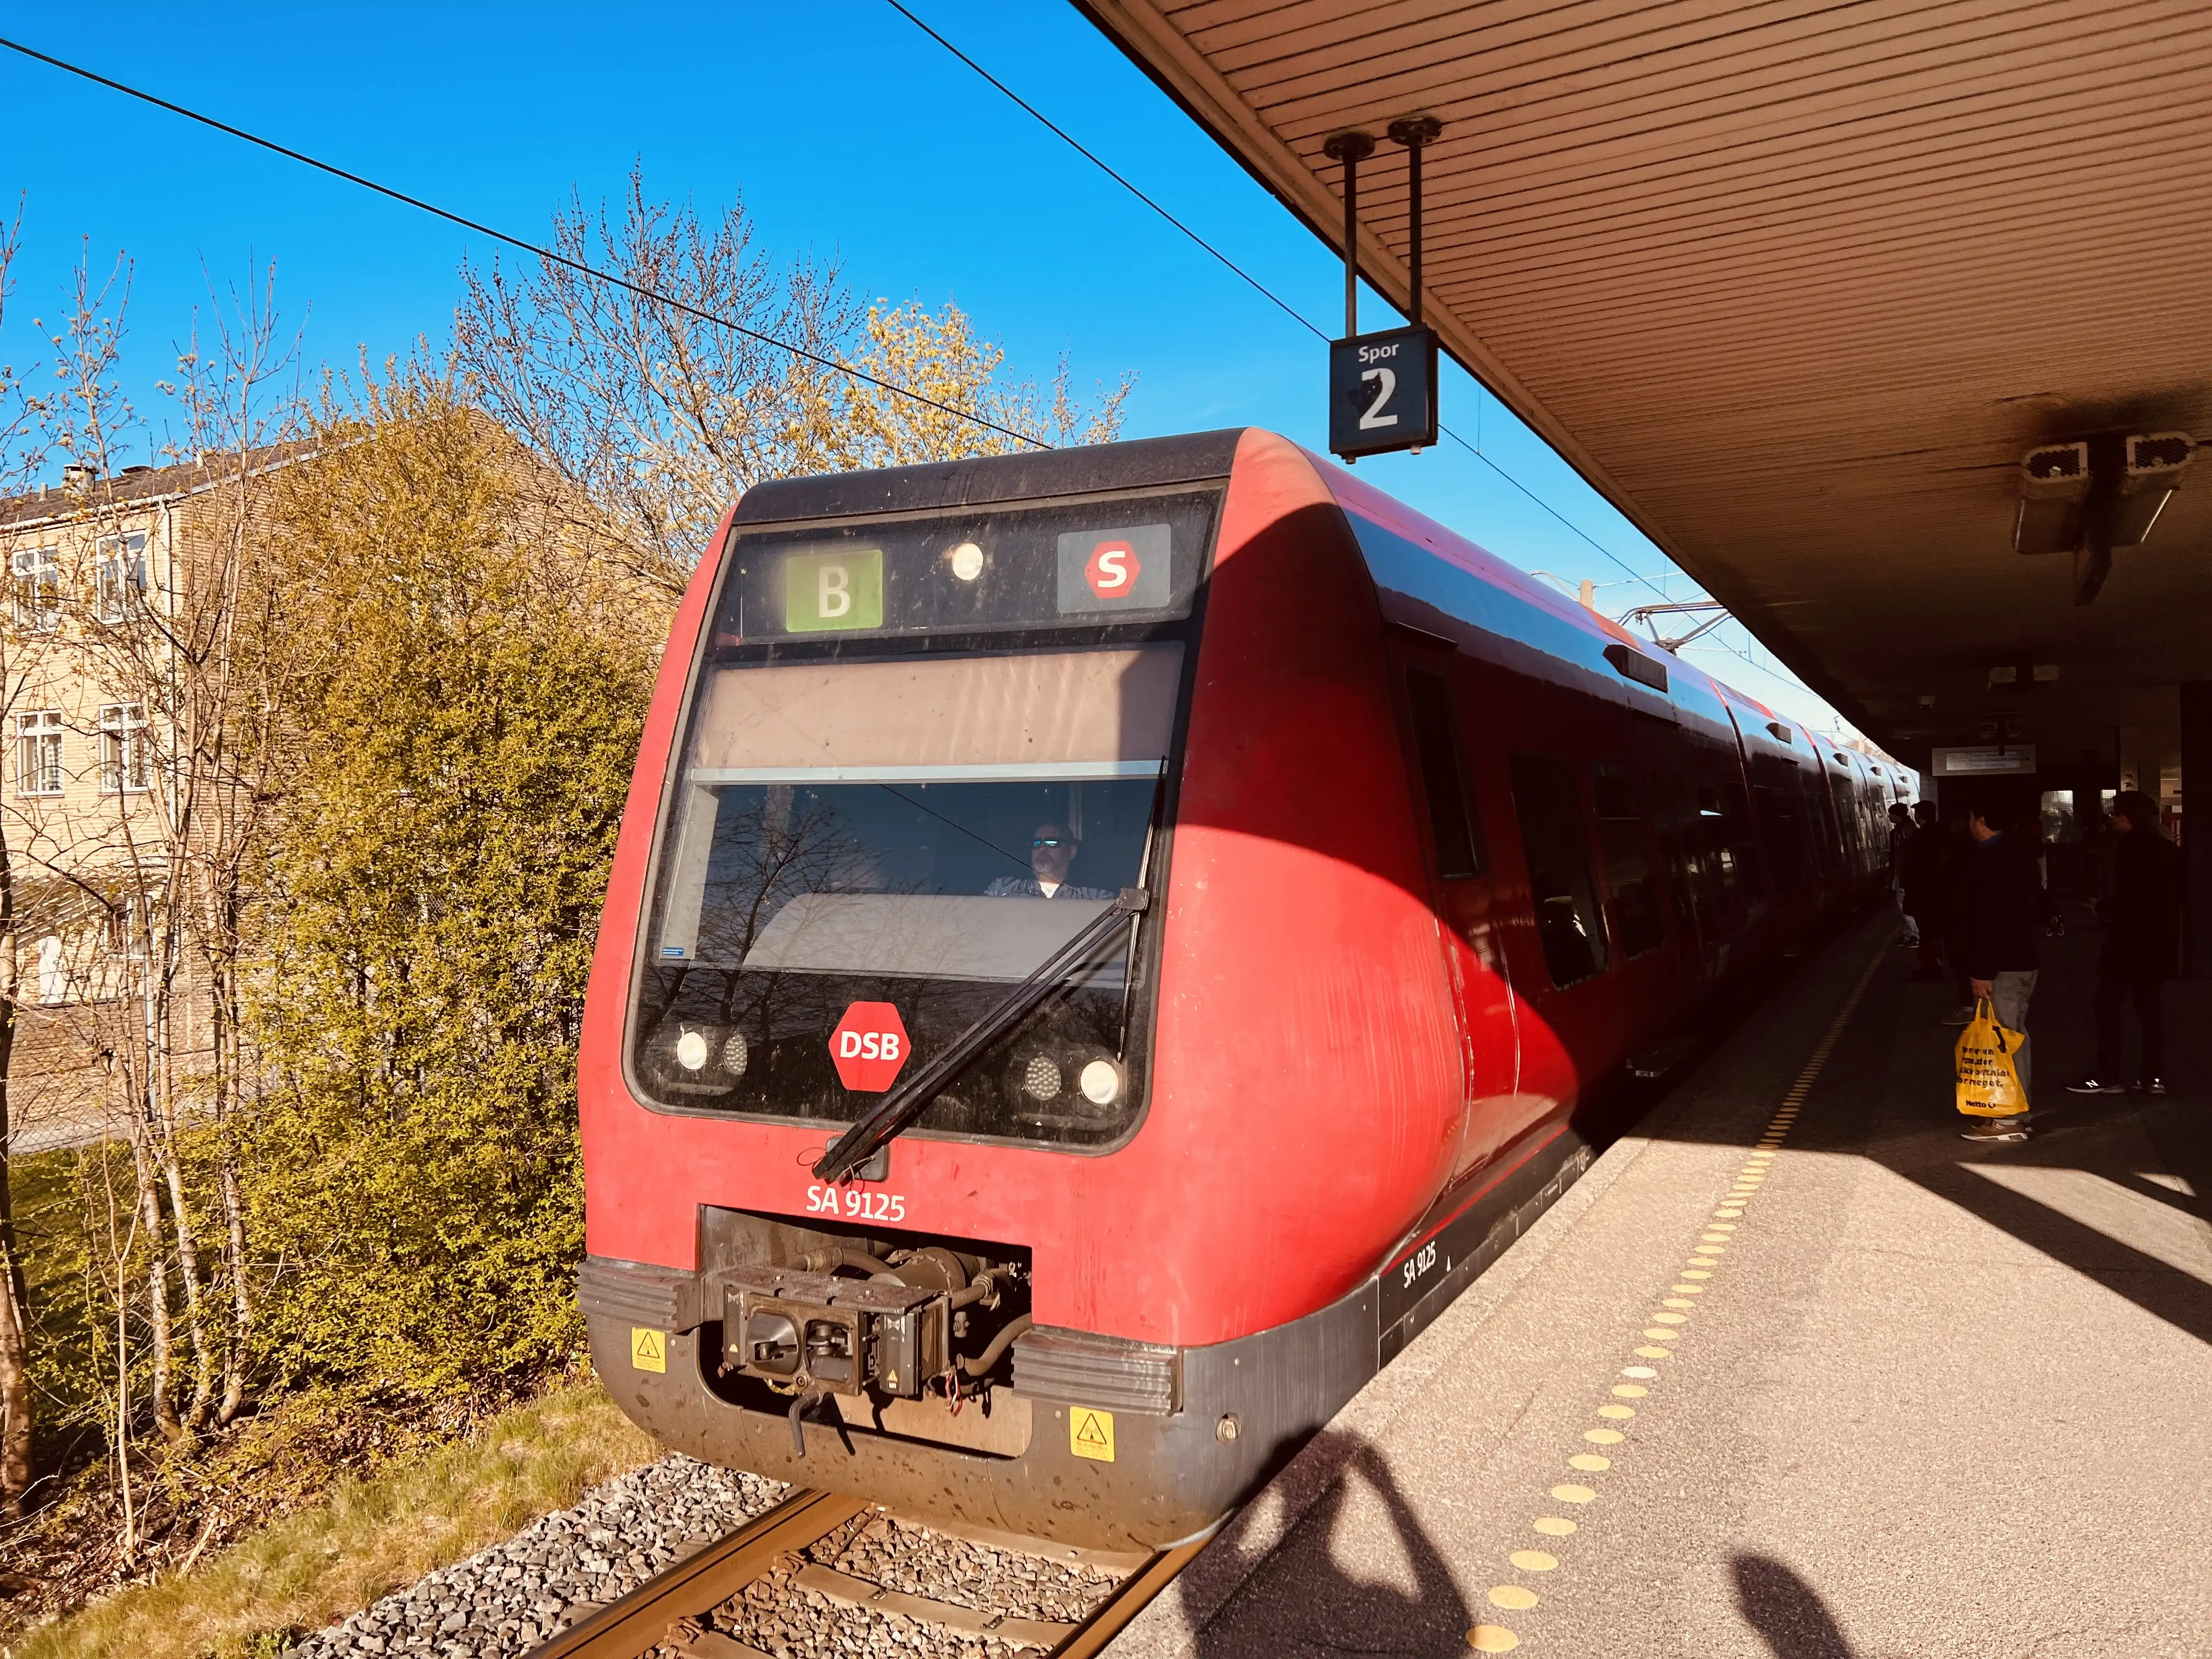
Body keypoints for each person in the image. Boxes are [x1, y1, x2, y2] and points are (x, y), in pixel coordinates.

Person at [2066, 790, 2182, 1097]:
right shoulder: (2167, 849)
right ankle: (2153, 1077)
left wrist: (2101, 907)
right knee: (2149, 1009)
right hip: (2159, 942)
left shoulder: (2130, 850)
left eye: (2117, 815)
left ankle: (2107, 1074)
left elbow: (2131, 901)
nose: (2113, 820)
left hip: (2128, 942)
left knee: (2106, 1005)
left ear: (2127, 819)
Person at [1958, 804, 2043, 1144]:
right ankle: (2013, 1113)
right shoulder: (2021, 854)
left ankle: (2009, 1121)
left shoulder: (1992, 860)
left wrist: (1981, 970)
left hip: (2003, 967)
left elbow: (1990, 919)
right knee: (2014, 1036)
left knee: (2005, 1039)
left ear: (1980, 819)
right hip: (2022, 960)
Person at [985, 823, 1112, 899]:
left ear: (1072, 852)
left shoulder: (1096, 897)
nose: (1042, 849)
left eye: (1052, 843)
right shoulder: (1002, 888)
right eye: (1037, 843)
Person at [1897, 802, 1950, 984]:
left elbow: (1911, 866)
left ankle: (1931, 969)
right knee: (1935, 932)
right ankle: (1935, 965)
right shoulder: (1946, 833)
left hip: (1922, 894)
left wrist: (1903, 885)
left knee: (1927, 933)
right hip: (1943, 892)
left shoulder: (1919, 836)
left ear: (1920, 815)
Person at [1887, 802, 1919, 948]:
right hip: (1901, 872)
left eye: (1891, 814)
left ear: (1898, 815)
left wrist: (1904, 873)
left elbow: (1908, 853)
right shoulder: (1902, 829)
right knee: (1903, 905)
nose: (1889, 817)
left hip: (1905, 873)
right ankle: (1909, 933)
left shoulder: (1906, 831)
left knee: (1905, 905)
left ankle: (1915, 935)